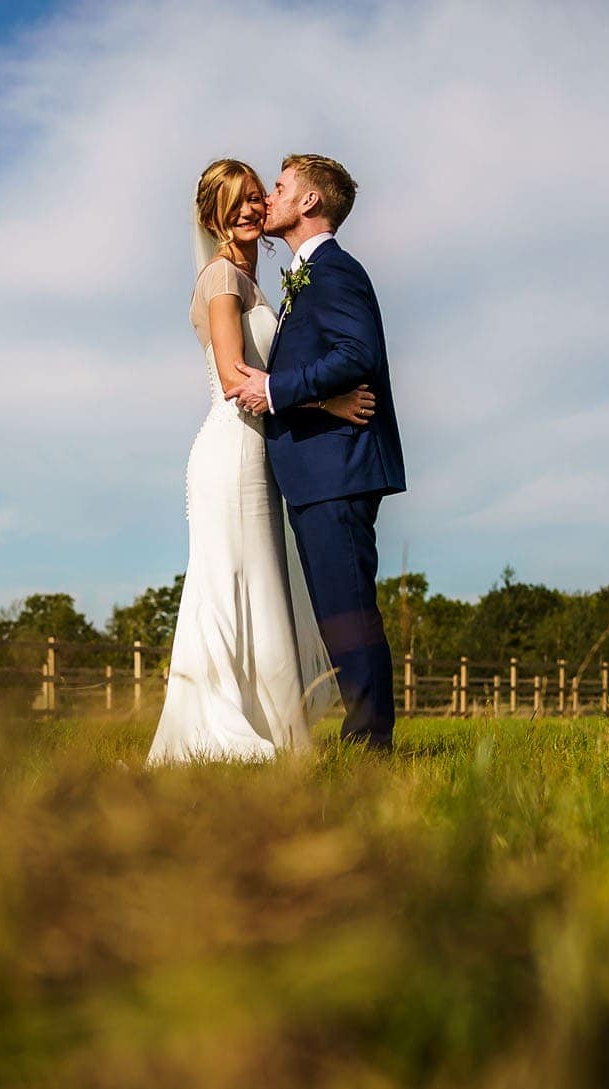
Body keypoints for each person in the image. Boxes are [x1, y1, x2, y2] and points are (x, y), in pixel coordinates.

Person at [145, 158, 376, 765]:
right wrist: (333, 399)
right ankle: (215, 727)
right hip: (230, 449)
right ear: (211, 214)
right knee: (225, 582)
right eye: (238, 200)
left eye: (258, 195)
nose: (252, 207)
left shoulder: (258, 282)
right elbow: (231, 378)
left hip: (263, 449)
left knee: (264, 584)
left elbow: (271, 374)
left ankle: (274, 725)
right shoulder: (222, 278)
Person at [226, 154, 405, 750]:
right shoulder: (308, 274)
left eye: (278, 189)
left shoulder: (333, 270)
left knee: (348, 609)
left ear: (309, 202)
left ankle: (370, 743)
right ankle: (364, 736)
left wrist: (274, 389)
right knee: (336, 610)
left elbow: (358, 354)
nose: (267, 199)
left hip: (338, 466)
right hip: (319, 466)